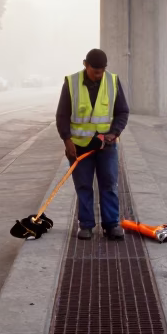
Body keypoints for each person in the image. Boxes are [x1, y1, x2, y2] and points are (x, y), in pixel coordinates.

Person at [56, 48, 129, 240]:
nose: (99, 75)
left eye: (102, 71)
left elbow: (122, 112)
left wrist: (113, 133)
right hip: (80, 146)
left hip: (106, 146)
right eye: (95, 71)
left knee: (109, 184)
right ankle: (86, 225)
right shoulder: (71, 83)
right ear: (85, 65)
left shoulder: (112, 81)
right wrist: (67, 140)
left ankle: (111, 224)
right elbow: (62, 115)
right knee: (83, 186)